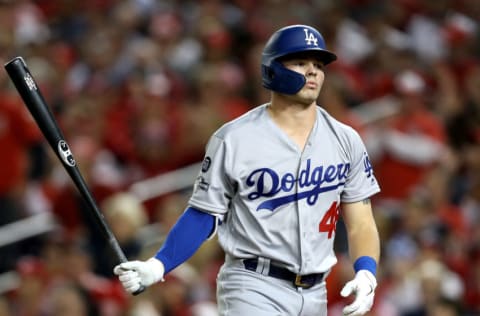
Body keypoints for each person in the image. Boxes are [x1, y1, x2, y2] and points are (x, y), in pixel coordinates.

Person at [114, 24, 381, 316]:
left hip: (316, 292)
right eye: (301, 62)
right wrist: (159, 264)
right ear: (273, 68)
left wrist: (367, 271)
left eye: (318, 65)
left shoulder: (346, 139)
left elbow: (361, 222)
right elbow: (204, 214)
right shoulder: (235, 138)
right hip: (253, 285)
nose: (313, 71)